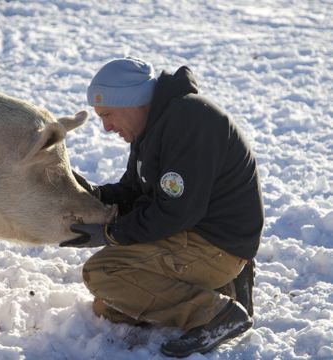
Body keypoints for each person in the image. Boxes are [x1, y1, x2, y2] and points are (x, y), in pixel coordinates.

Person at [60, 57, 264, 358]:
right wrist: (93, 195)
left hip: (215, 242)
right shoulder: (154, 124)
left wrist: (110, 233)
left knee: (105, 273)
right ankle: (227, 288)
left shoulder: (188, 122)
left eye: (107, 114)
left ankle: (217, 314)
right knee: (111, 306)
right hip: (194, 234)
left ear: (130, 102)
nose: (105, 127)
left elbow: (175, 212)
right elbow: (135, 189)